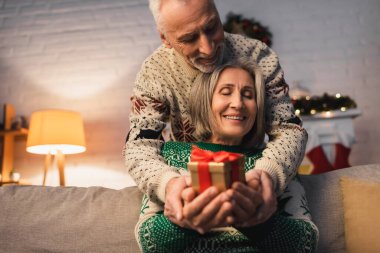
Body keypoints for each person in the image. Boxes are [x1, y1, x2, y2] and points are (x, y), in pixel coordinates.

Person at [124, 0, 307, 235]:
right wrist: (168, 185)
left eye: (212, 27)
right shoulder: (154, 73)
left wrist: (267, 176)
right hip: (186, 176)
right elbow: (139, 146)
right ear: (165, 38)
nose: (209, 48)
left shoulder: (258, 56)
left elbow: (289, 130)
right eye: (189, 38)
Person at [135, 59, 318, 253]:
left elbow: (305, 244)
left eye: (248, 95)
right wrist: (184, 223)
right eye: (226, 92)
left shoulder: (275, 163)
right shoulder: (169, 157)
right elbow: (149, 242)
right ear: (205, 101)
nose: (238, 103)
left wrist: (258, 223)